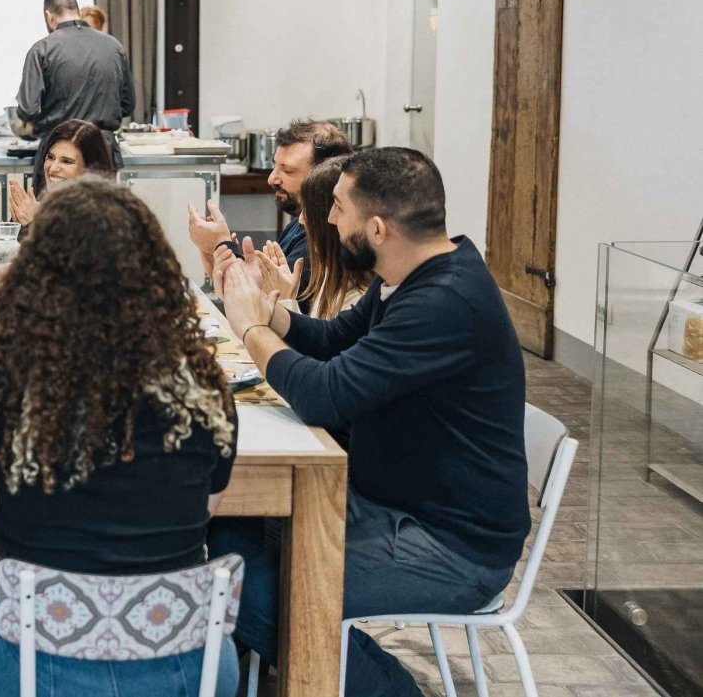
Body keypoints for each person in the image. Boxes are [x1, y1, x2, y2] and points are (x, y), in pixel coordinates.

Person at [208, 148, 530, 697]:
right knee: (226, 529)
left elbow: (324, 396)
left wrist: (248, 330)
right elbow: (334, 343)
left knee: (244, 591)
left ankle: (384, 688)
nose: (327, 221)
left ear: (377, 228)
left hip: (451, 546)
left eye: (336, 207)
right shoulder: (411, 271)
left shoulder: (444, 301)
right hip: (389, 503)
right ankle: (263, 669)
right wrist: (269, 311)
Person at [0, 177, 241, 697]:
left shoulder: (1, 375)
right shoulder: (200, 384)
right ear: (151, 271)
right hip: (183, 669)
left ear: (36, 270)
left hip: (40, 673)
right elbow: (211, 501)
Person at [187, 119, 351, 295]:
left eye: (287, 171)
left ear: (323, 175)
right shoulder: (300, 222)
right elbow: (265, 286)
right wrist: (221, 262)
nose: (272, 179)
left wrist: (221, 244)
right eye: (275, 165)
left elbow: (267, 299)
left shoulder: (323, 238)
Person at [228, 155, 373, 320]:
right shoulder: (329, 274)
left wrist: (283, 301)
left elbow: (313, 345)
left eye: (308, 210)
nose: (302, 219)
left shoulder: (358, 298)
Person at [13, 0, 134, 144]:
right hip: (103, 150)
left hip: (60, 149)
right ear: (76, 11)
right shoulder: (114, 46)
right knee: (99, 170)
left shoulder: (42, 49)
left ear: (49, 16)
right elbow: (127, 105)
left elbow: (28, 109)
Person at [6, 118, 116, 226]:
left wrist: (36, 224)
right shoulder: (43, 207)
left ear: (90, 170)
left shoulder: (102, 219)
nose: (52, 169)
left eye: (66, 161)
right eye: (50, 157)